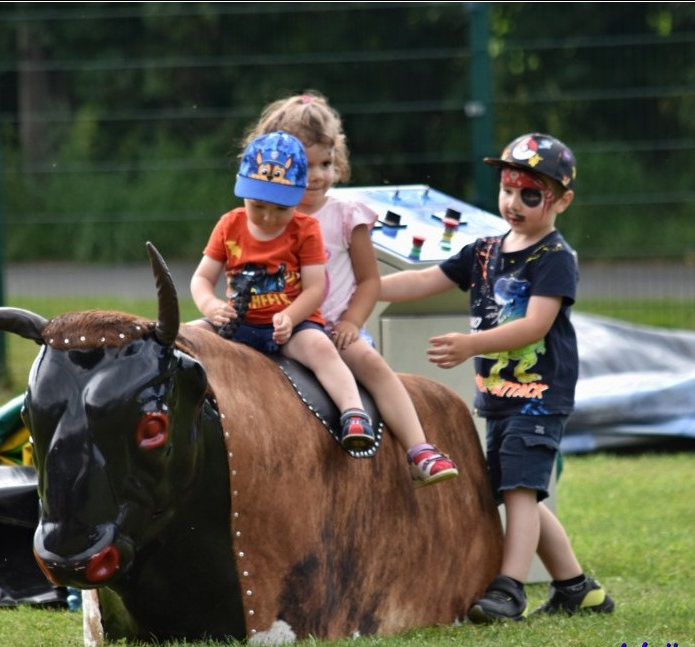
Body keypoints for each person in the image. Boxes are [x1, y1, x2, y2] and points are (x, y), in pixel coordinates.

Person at [379, 133, 614, 618]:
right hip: (501, 397)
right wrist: (363, 287)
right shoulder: (485, 250)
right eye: (509, 189)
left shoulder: (554, 259)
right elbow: (426, 278)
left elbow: (535, 325)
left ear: (562, 201)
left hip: (538, 397)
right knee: (515, 487)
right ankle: (577, 589)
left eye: (532, 195)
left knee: (518, 491)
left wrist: (470, 345)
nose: (514, 203)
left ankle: (509, 588)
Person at [241, 91, 458, 488]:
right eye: (307, 167)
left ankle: (419, 449)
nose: (320, 175)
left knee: (374, 367)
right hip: (272, 327)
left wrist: (353, 323)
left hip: (332, 328)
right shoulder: (265, 216)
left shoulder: (346, 217)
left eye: (326, 162)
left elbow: (369, 281)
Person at [190, 130, 375, 453]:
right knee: (183, 337)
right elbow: (202, 279)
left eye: (281, 209)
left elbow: (316, 288)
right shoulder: (229, 224)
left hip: (291, 328)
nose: (267, 217)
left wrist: (290, 317)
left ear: (298, 196)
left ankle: (353, 412)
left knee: (321, 349)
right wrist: (210, 306)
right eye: (257, 205)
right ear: (241, 188)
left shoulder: (305, 229)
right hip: (237, 323)